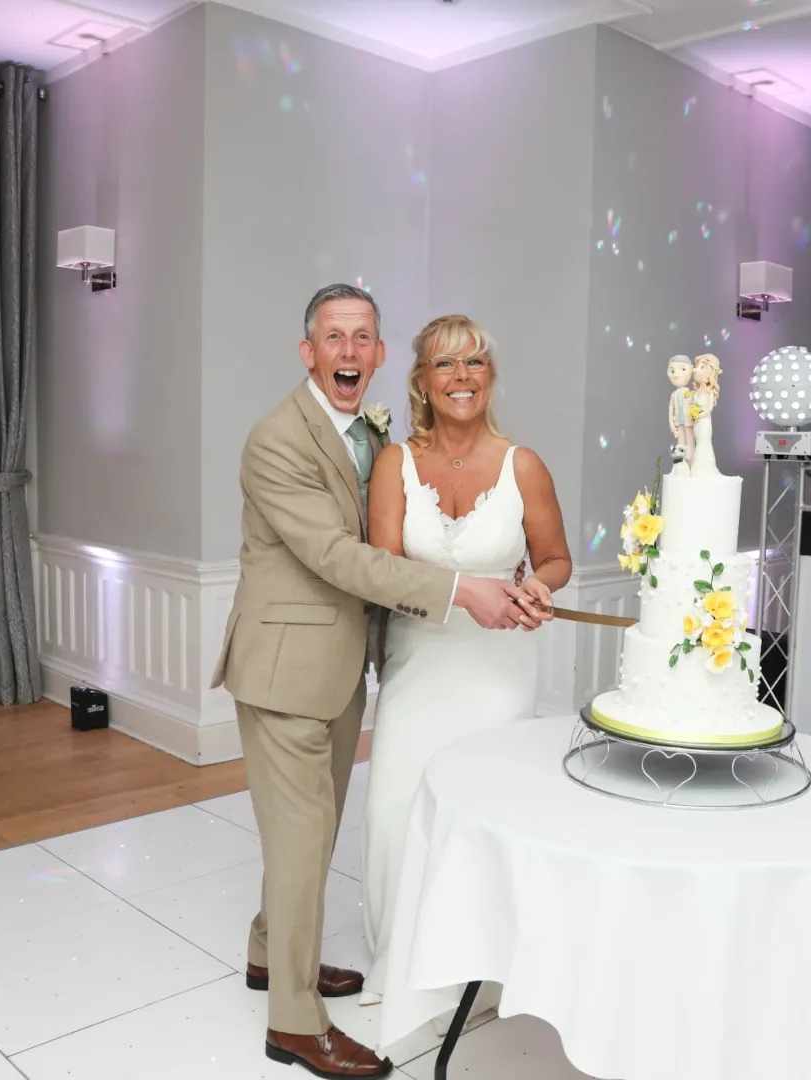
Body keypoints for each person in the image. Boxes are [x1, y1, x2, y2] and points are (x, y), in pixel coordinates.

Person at [210, 286, 543, 1078]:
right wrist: (461, 590)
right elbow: (337, 557)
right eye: (334, 337)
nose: (349, 351)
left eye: (363, 337)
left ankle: (270, 951)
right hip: (285, 672)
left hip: (339, 668)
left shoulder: (367, 433)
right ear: (309, 352)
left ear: (381, 355)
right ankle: (295, 1023)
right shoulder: (275, 440)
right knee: (301, 844)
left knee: (310, 837)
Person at [358, 314, 572, 1014]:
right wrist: (462, 593)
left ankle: (479, 956)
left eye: (474, 362)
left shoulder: (522, 464)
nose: (461, 377)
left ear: (490, 377)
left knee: (484, 808)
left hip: (497, 671)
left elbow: (555, 558)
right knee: (394, 808)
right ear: (421, 380)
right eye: (445, 364)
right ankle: (399, 957)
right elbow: (386, 568)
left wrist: (540, 586)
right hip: (418, 663)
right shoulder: (393, 464)